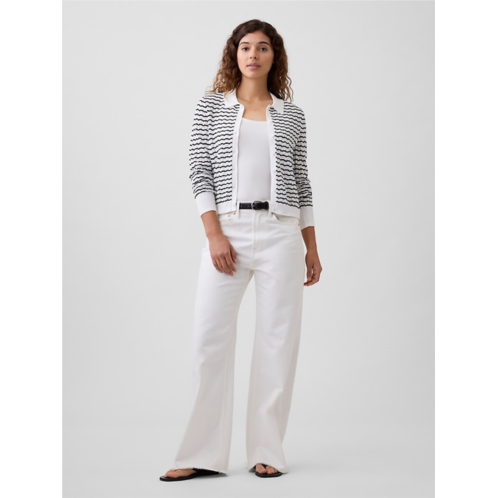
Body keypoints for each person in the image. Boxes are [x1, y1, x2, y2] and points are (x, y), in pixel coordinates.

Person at [160, 19, 322, 482]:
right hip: (228, 230)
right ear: (235, 54)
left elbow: (302, 181)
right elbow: (199, 169)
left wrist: (311, 246)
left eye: (263, 47)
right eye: (246, 47)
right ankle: (200, 453)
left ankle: (267, 450)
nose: (254, 54)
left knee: (277, 342)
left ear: (275, 56)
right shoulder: (212, 107)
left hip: (281, 233)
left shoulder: (292, 115)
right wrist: (214, 234)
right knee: (208, 341)